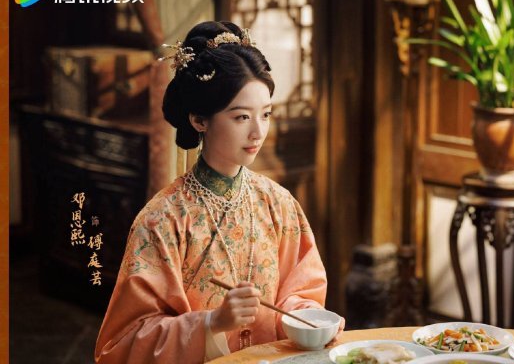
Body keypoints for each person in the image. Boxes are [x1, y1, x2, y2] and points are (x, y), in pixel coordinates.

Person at [95, 21, 343, 363]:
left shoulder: (278, 203)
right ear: (199, 120)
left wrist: (304, 317)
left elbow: (300, 290)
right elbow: (122, 343)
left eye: (266, 114)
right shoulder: (162, 220)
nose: (258, 132)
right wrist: (211, 323)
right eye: (241, 117)